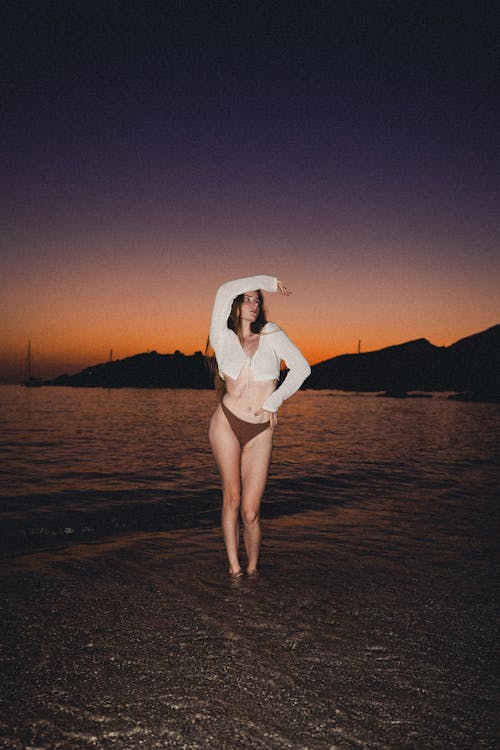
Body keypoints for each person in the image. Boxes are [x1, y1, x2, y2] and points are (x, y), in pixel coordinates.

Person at [208, 275, 311, 577]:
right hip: (225, 423)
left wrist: (274, 402)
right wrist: (266, 280)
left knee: (251, 513)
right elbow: (222, 289)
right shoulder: (222, 338)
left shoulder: (271, 334)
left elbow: (302, 368)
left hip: (260, 430)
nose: (254, 304)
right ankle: (235, 570)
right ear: (237, 304)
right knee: (232, 498)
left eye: (258, 299)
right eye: (248, 298)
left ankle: (253, 571)